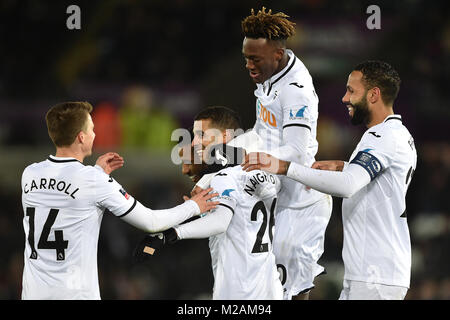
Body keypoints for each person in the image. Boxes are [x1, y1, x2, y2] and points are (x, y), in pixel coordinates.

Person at [242, 61, 417, 300]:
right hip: (374, 272)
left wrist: (286, 167)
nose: (345, 98)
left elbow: (348, 185)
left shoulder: (381, 137)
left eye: (352, 91)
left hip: (375, 275)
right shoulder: (398, 133)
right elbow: (382, 181)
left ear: (374, 94)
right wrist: (344, 166)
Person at [21, 101, 218, 300]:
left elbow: (63, 198)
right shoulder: (93, 180)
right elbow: (151, 222)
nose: (95, 134)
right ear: (81, 137)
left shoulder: (30, 174)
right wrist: (193, 206)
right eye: (92, 129)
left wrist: (97, 174)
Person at [134, 106, 283, 299]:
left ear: (224, 137)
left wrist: (170, 234)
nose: (195, 143)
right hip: (270, 287)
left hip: (239, 291)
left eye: (201, 135)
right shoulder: (267, 173)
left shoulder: (224, 178)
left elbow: (220, 221)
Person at [238, 7, 332, 299]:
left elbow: (296, 150)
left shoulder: (296, 90)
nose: (249, 65)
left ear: (277, 55)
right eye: (246, 58)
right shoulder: (269, 77)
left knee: (291, 289)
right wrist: (228, 151)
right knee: (268, 289)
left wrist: (252, 160)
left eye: (255, 59)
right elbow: (261, 131)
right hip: (277, 195)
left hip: (302, 205)